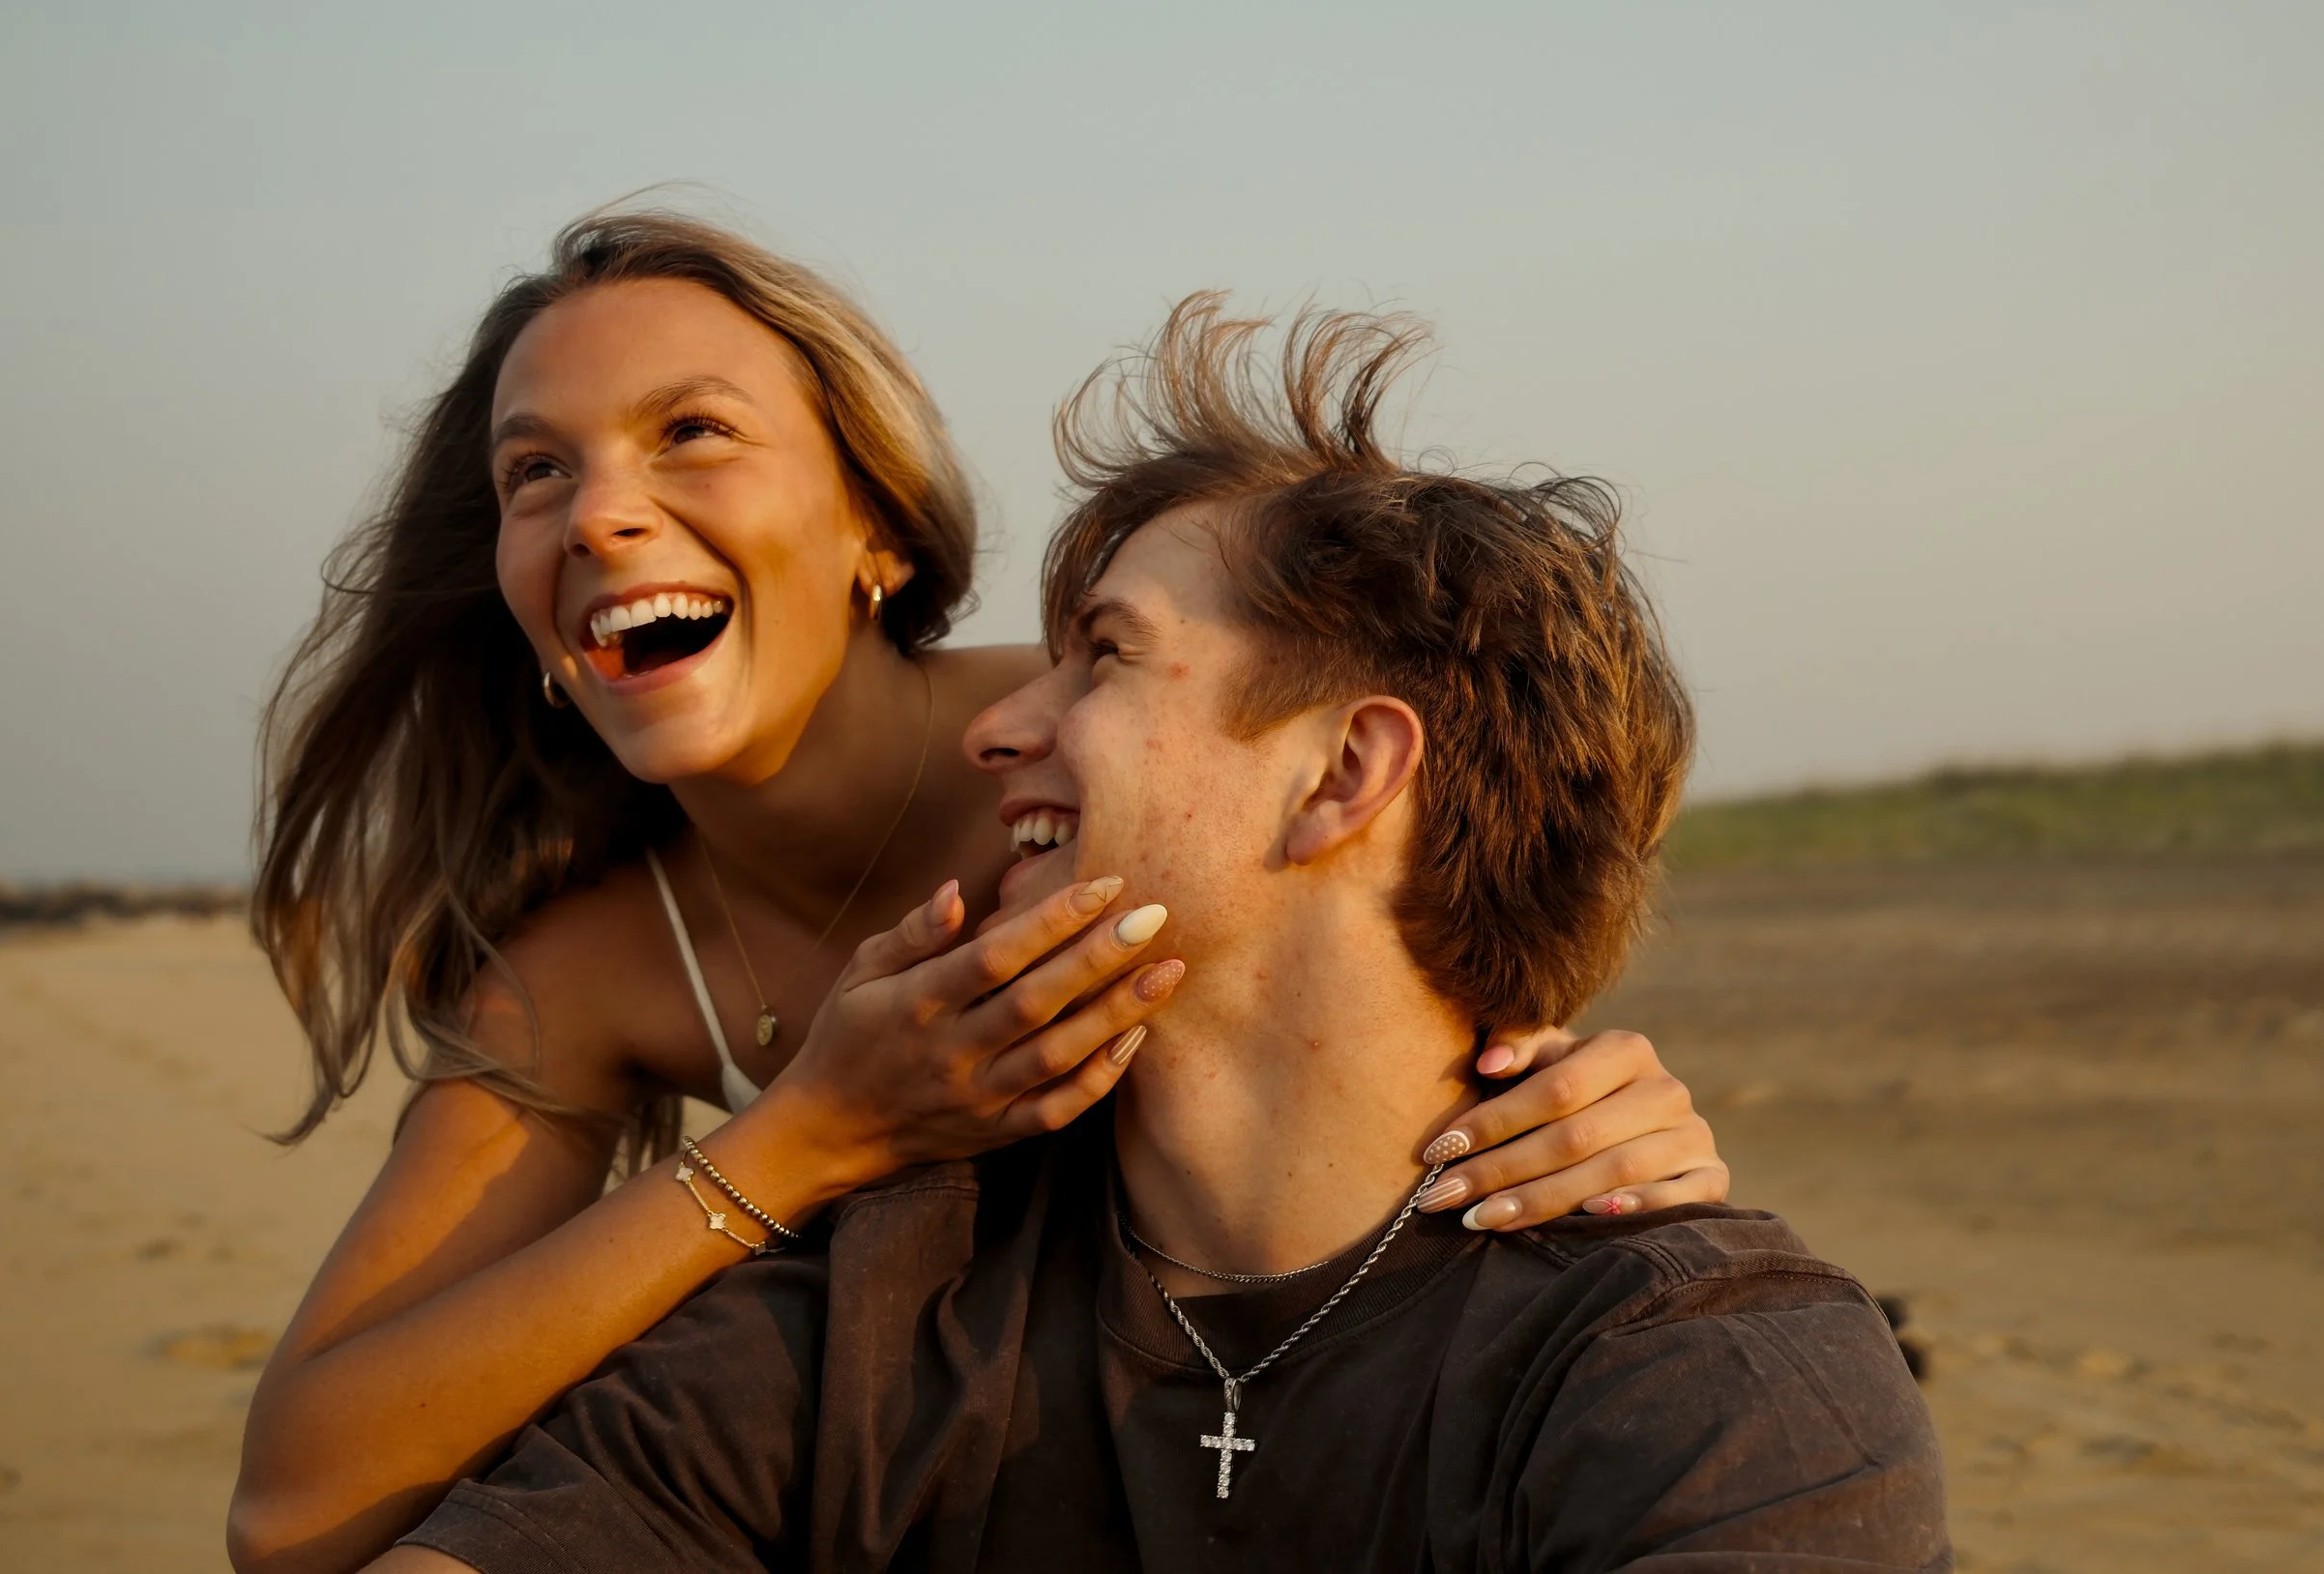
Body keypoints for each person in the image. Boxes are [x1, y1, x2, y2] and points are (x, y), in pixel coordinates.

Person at [231, 214, 1732, 1574]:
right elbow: (296, 1509)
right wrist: (809, 1134)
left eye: (691, 431)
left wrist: (1591, 1082)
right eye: (532, 472)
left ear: (874, 523)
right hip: (894, 1410)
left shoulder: (1090, 773)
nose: (597, 516)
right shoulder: (594, 971)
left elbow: (1428, 928)